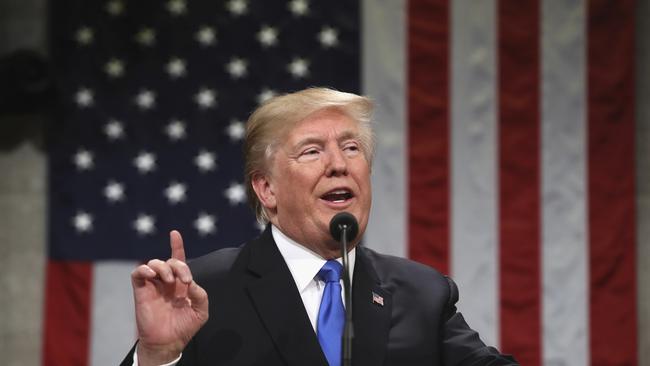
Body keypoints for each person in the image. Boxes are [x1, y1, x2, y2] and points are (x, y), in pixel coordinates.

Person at [121, 88, 518, 366]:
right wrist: (158, 357)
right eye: (312, 151)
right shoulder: (205, 289)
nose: (339, 164)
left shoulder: (422, 293)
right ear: (266, 188)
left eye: (351, 148)